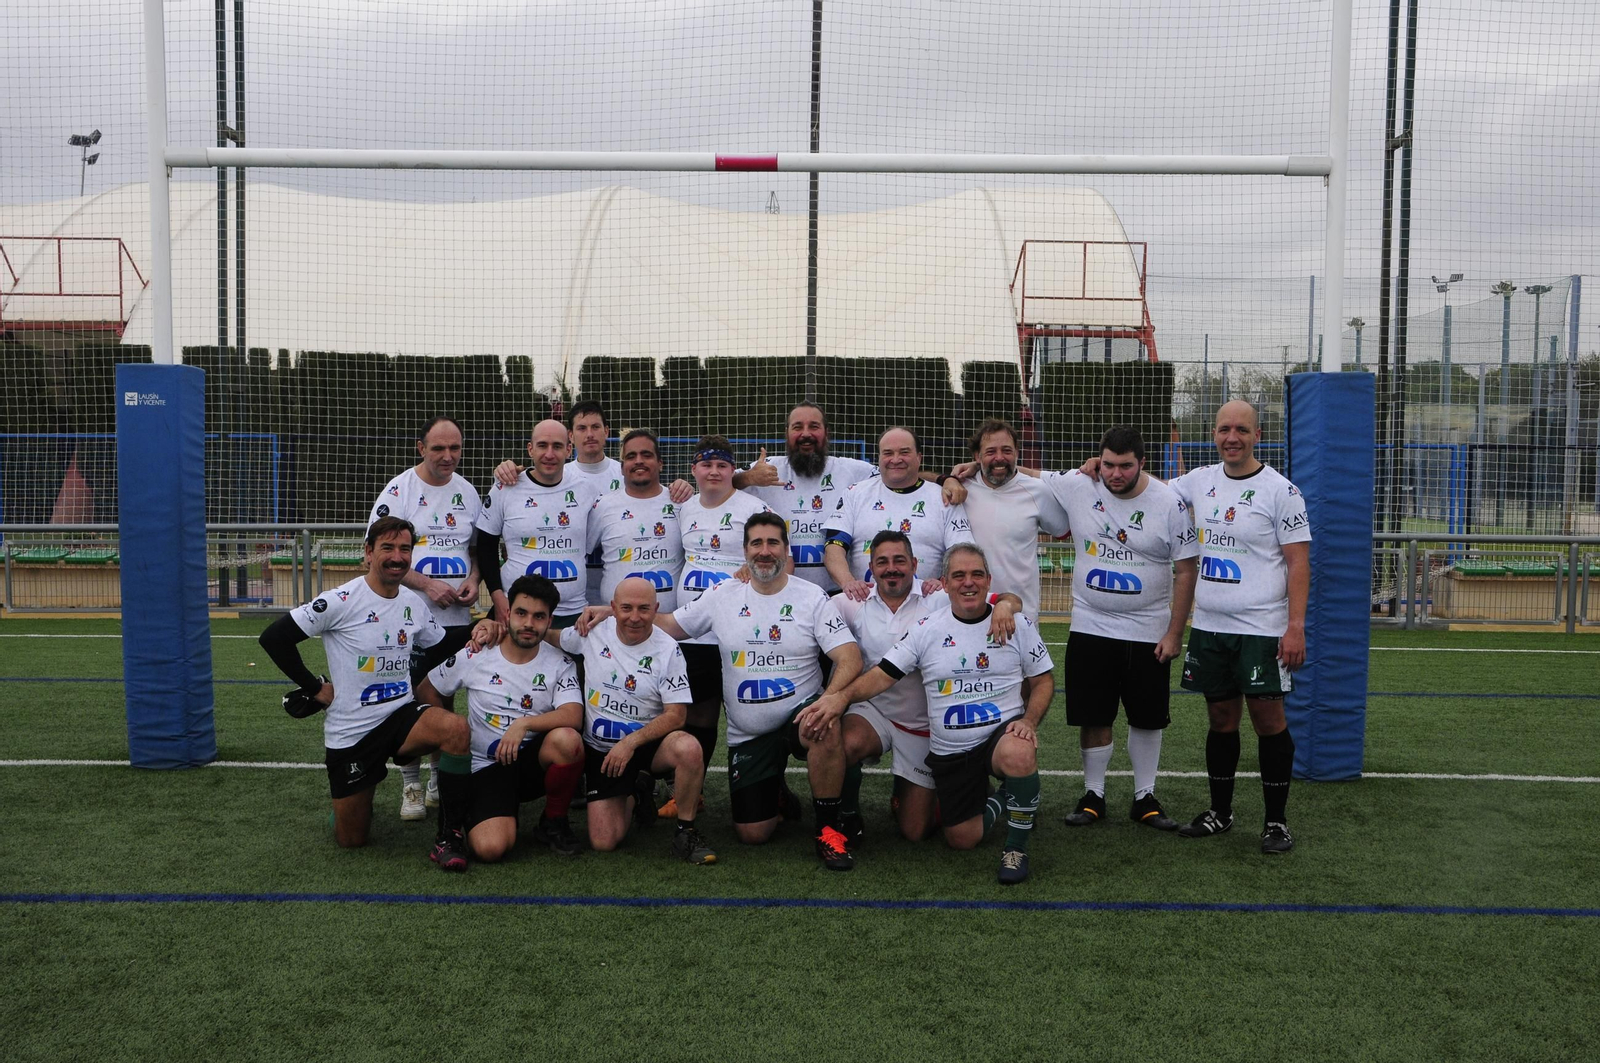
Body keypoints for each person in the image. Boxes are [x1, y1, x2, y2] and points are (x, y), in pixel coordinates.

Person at [1080, 401, 1310, 853]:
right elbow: (1146, 487)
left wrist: (1295, 626)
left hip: (1262, 629)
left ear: (1257, 435)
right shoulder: (1197, 481)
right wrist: (1097, 467)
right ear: (1213, 433)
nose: (1232, 438)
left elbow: (1298, 562)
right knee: (1221, 719)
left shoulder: (1282, 491)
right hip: (1209, 627)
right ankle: (1220, 813)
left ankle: (1276, 821)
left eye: (1242, 429)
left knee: (1268, 720)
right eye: (1224, 429)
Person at [809, 543, 1054, 885]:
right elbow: (882, 675)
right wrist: (839, 698)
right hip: (950, 749)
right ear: (945, 582)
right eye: (959, 576)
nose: (968, 583)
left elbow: (1043, 681)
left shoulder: (1015, 622)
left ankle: (1016, 850)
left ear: (988, 581)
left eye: (976, 575)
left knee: (1018, 749)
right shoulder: (927, 627)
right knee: (957, 838)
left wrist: (1027, 721)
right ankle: (1005, 797)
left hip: (999, 735)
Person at [256, 515, 478, 870]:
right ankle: (347, 805)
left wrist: (477, 631)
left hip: (402, 716)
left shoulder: (412, 602)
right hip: (353, 732)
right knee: (353, 840)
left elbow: (437, 646)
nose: (397, 556)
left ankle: (449, 837)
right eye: (387, 548)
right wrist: (316, 688)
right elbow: (274, 638)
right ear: (368, 553)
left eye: (405, 549)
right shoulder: (341, 600)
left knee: (455, 729)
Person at [650, 512, 864, 870]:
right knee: (752, 834)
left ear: (786, 548)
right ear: (744, 550)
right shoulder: (722, 594)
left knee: (825, 723)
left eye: (773, 543)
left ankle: (828, 830)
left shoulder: (810, 597)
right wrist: (616, 614)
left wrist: (830, 700)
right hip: (749, 734)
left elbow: (850, 657)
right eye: (757, 543)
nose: (765, 551)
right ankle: (774, 787)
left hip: (801, 715)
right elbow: (672, 625)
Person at [1041, 425, 1198, 832]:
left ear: (1142, 463)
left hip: (1149, 629)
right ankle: (1094, 795)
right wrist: (970, 469)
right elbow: (1019, 473)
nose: (1114, 473)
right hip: (1090, 625)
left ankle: (1144, 797)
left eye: (1125, 466)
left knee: (1147, 718)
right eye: (1108, 464)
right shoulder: (1081, 484)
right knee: (1094, 716)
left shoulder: (1169, 503)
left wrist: (1174, 633)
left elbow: (1185, 570)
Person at [831, 530, 1023, 843]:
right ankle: (847, 816)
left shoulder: (937, 597)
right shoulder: (853, 601)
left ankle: (981, 792)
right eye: (882, 562)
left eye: (899, 561)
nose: (891, 568)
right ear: (871, 566)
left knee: (915, 831)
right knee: (844, 741)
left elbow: (1008, 598)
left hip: (923, 727)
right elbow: (807, 610)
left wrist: (1004, 606)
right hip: (875, 711)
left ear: (915, 564)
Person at [415, 574, 586, 861]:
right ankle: (484, 809)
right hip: (485, 766)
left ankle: (553, 821)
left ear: (550, 619)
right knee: (490, 849)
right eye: (521, 613)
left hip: (531, 763)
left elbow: (573, 715)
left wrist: (524, 724)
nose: (529, 624)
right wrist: (451, 736)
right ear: (508, 612)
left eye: (539, 616)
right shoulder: (478, 652)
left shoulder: (560, 661)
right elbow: (427, 690)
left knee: (567, 740)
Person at [368, 415, 482, 821]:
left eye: (455, 448)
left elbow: (476, 550)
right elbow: (381, 553)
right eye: (438, 448)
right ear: (421, 448)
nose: (448, 456)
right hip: (405, 618)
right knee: (406, 698)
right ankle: (410, 784)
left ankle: (437, 777)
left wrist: (473, 579)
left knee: (443, 697)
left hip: (454, 619)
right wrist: (428, 585)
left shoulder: (468, 493)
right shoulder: (399, 490)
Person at [556, 578, 714, 863]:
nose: (635, 617)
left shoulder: (668, 649)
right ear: (613, 608)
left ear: (656, 609)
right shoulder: (591, 632)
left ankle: (686, 831)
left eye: (643, 609)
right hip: (603, 751)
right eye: (626, 608)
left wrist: (631, 742)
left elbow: (677, 715)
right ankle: (638, 793)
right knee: (604, 841)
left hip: (646, 746)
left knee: (689, 747)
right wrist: (499, 628)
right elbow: (550, 636)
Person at [668, 434, 775, 798]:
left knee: (754, 711)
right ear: (694, 469)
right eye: (706, 464)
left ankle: (769, 787)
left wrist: (757, 572)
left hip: (741, 631)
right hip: (695, 633)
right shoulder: (682, 509)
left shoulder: (754, 508)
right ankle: (692, 793)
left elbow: (782, 561)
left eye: (722, 465)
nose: (714, 471)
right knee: (699, 713)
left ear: (733, 470)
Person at [733, 402, 878, 592]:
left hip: (837, 593)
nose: (806, 434)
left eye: (814, 426)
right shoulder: (767, 467)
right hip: (781, 594)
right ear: (787, 433)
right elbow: (719, 483)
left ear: (826, 432)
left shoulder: (851, 470)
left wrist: (932, 478)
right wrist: (747, 477)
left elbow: (898, 475)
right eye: (797, 427)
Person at [476, 419, 605, 630]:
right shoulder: (506, 488)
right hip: (517, 612)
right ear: (530, 449)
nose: (549, 454)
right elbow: (485, 545)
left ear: (569, 449)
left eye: (557, 446)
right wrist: (497, 596)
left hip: (571, 614)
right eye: (542, 445)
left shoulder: (586, 491)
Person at [824, 426, 972, 601]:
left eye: (904, 452)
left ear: (919, 457)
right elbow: (833, 548)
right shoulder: (855, 493)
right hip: (865, 606)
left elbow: (963, 553)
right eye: (888, 453)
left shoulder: (944, 497)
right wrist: (848, 583)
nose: (896, 459)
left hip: (927, 607)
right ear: (878, 458)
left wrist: (944, 580)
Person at [947, 418, 1068, 617]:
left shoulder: (1037, 491)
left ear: (1017, 453)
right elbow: (919, 479)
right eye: (991, 451)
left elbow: (1064, 530)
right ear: (977, 456)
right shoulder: (960, 489)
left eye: (1007, 450)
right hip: (967, 615)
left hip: (1020, 615)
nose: (999, 458)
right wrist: (948, 479)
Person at [589, 428, 685, 613]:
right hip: (615, 623)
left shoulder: (681, 502)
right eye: (631, 456)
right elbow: (577, 551)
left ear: (660, 464)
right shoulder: (603, 506)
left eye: (646, 455)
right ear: (622, 467)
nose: (639, 460)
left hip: (669, 626)